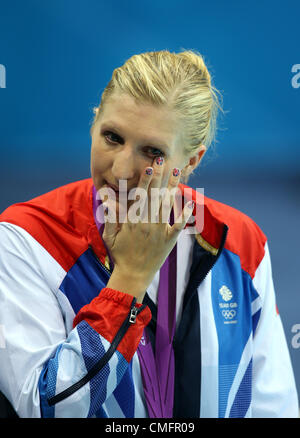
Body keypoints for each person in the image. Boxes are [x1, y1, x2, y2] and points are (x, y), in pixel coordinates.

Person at [0, 49, 298, 418]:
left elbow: (274, 409)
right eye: (111, 137)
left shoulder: (239, 242)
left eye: (152, 151)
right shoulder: (27, 238)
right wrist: (129, 280)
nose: (122, 169)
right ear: (93, 124)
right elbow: (48, 410)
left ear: (191, 161)